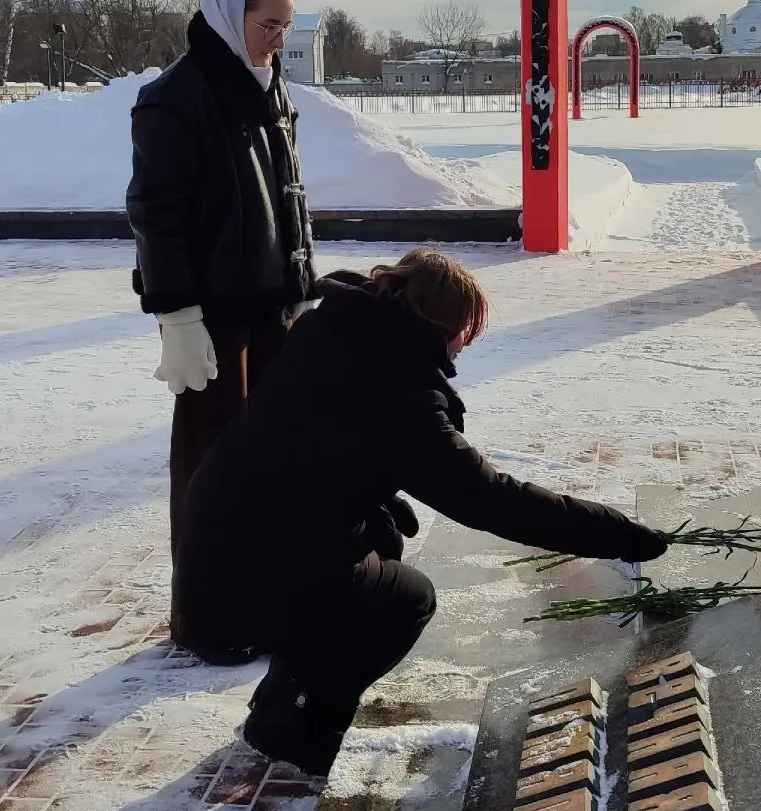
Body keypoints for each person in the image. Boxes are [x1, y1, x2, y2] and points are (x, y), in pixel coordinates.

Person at [176, 250, 670, 777]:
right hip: (241, 589)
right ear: (443, 326)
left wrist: (368, 492)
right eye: (465, 332)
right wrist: (618, 533)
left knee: (378, 552)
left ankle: (283, 700)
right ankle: (300, 733)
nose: (465, 344)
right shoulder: (401, 393)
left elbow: (312, 439)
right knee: (406, 599)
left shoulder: (330, 333)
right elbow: (496, 501)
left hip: (211, 552)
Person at [127, 0, 314, 662]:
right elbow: (156, 213)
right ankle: (208, 618)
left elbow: (289, 197)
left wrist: (301, 285)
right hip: (213, 321)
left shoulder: (270, 87)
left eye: (285, 27)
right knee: (212, 471)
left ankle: (267, 599)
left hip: (273, 312)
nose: (277, 39)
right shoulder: (176, 98)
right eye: (267, 25)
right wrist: (176, 315)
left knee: (275, 463)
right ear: (231, 17)